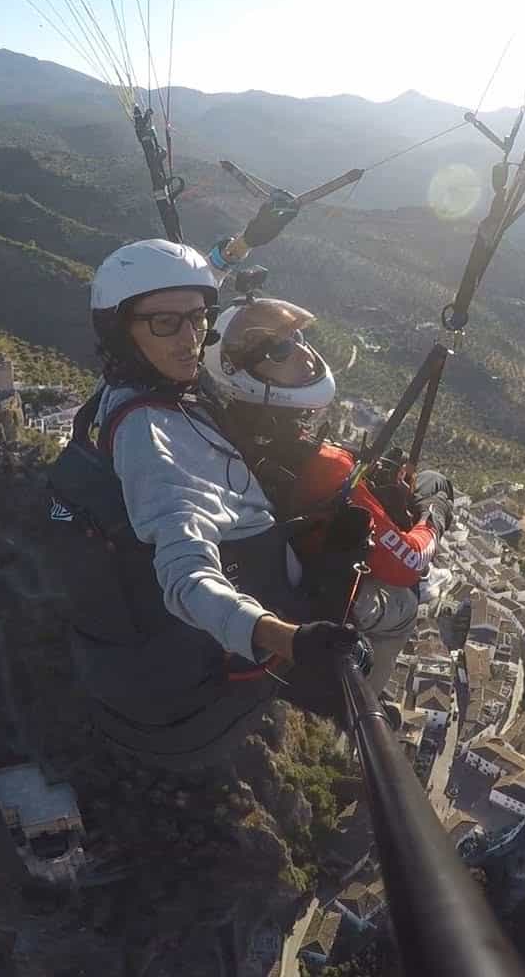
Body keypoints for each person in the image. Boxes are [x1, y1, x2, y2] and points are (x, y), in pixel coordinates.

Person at [45, 239, 366, 765]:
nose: (191, 340)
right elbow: (185, 577)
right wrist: (289, 640)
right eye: (167, 324)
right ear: (122, 330)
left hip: (156, 661)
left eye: (199, 318)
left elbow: (171, 301)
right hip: (231, 658)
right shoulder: (155, 442)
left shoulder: (126, 388)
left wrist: (229, 252)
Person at [199, 296, 455, 686]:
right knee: (403, 604)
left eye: (298, 337)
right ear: (244, 374)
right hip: (310, 587)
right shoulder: (325, 466)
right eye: (281, 348)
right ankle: (354, 698)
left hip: (270, 561)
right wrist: (434, 514)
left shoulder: (215, 427)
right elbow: (408, 561)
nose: (302, 352)